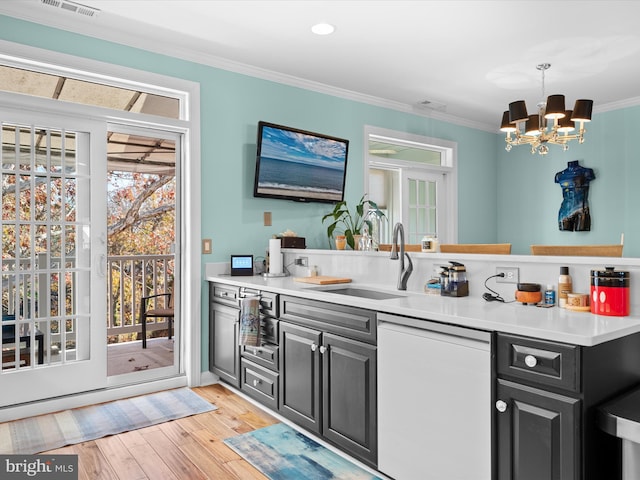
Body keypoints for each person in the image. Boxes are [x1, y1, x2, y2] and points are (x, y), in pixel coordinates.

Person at [555, 160, 596, 231]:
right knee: (564, 234)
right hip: (565, 212)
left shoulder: (586, 172)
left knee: (583, 233)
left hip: (582, 210)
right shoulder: (559, 175)